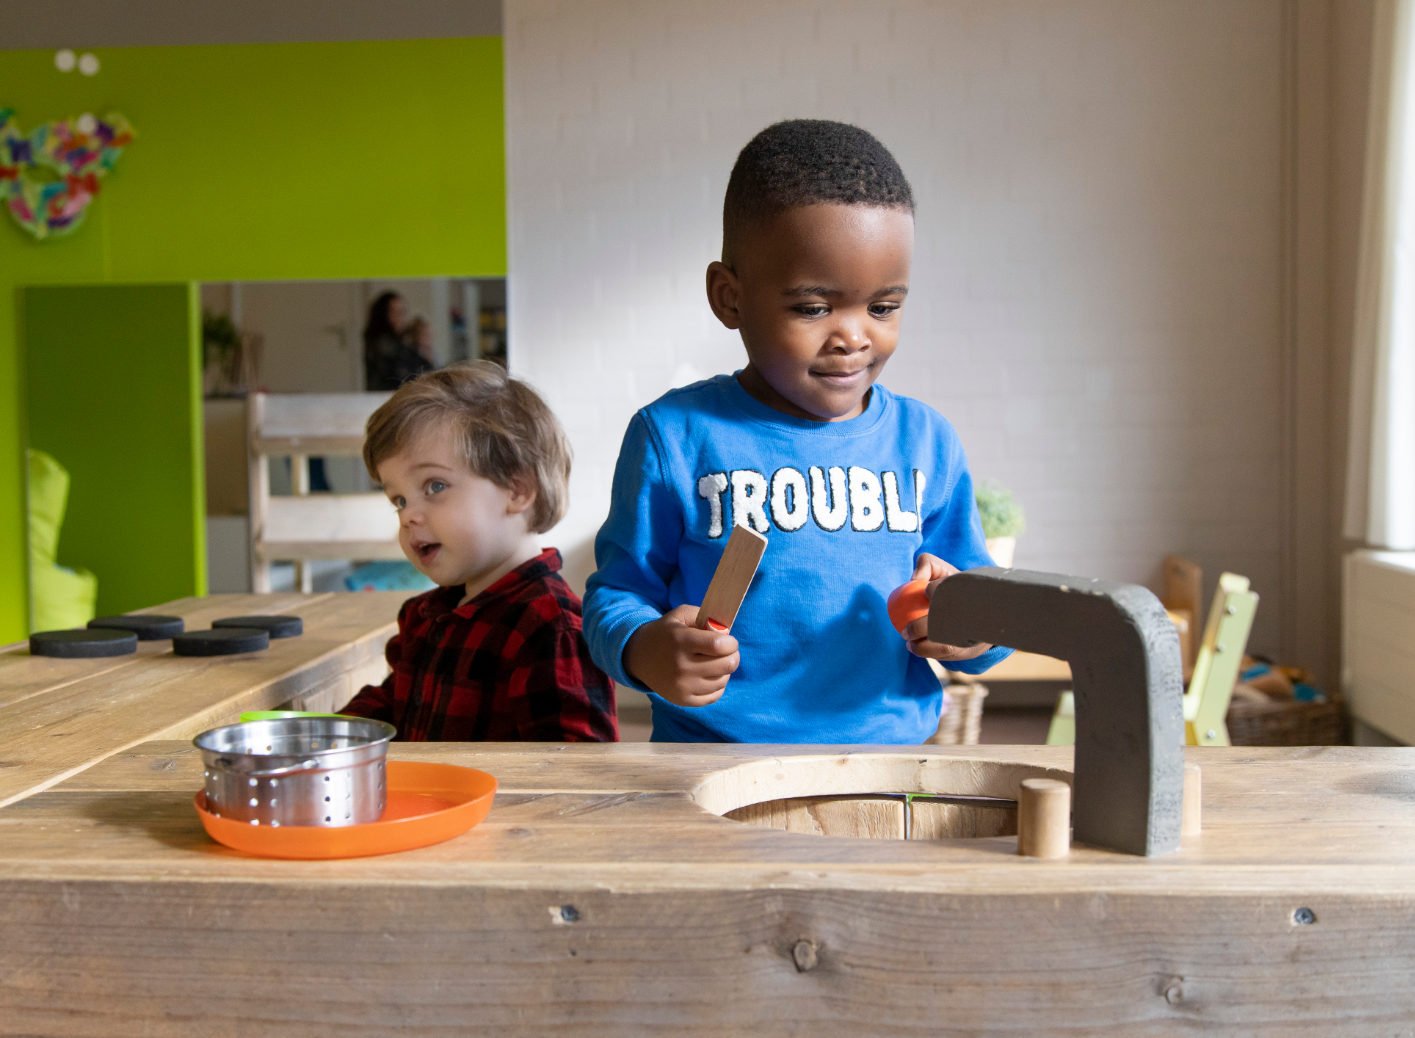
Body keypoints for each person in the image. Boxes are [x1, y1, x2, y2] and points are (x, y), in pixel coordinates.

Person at [582, 119, 1011, 744]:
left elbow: (983, 605)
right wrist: (646, 650)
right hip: (711, 770)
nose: (855, 336)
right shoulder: (672, 436)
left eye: (884, 307)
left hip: (888, 771)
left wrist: (970, 631)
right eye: (813, 308)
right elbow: (613, 599)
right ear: (730, 298)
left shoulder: (926, 441)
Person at [339, 362, 617, 741]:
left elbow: (576, 773)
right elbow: (395, 706)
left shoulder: (552, 628)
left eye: (435, 486)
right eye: (399, 500)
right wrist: (331, 734)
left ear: (517, 490)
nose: (408, 517)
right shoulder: (426, 617)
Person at [363, 291, 434, 391]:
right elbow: (411, 376)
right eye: (396, 313)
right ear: (384, 315)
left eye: (403, 313)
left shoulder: (399, 342)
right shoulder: (383, 345)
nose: (401, 318)